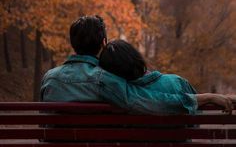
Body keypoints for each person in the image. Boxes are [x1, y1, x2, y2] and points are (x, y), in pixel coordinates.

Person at [40, 15, 233, 114]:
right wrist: (204, 97)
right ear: (104, 43)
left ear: (73, 44)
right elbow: (150, 102)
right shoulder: (104, 80)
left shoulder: (49, 78)